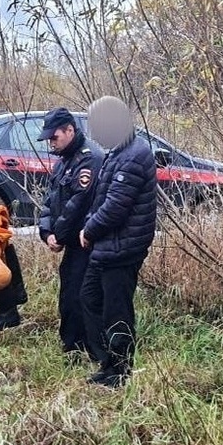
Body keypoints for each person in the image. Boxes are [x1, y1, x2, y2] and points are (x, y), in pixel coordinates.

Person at [79, 95, 157, 388]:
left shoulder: (136, 154)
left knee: (117, 312)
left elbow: (115, 207)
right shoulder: (118, 152)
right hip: (107, 248)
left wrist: (89, 231)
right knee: (89, 297)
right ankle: (107, 362)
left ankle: (119, 371)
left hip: (122, 249)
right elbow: (102, 199)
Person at [38, 107, 104, 362]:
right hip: (69, 240)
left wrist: (60, 235)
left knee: (81, 296)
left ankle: (88, 349)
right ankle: (72, 346)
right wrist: (46, 232)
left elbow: (78, 204)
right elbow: (50, 200)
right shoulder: (64, 160)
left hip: (86, 243)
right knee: (69, 293)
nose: (51, 144)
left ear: (69, 130)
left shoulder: (89, 159)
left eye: (54, 137)